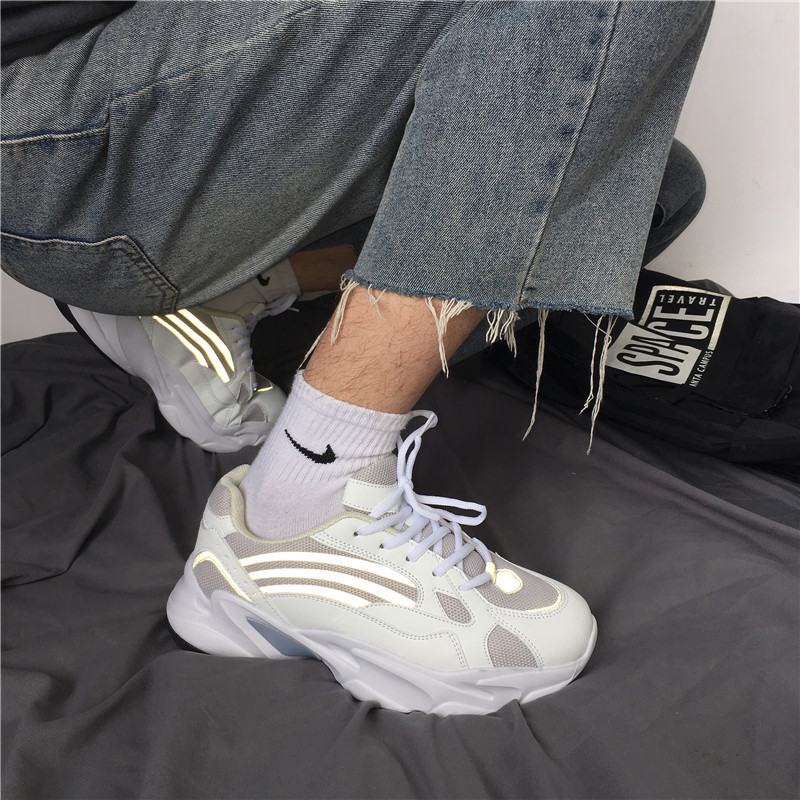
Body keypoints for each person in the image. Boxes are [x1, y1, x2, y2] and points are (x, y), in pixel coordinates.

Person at [1, 0, 713, 714]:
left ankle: (236, 294)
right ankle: (303, 504)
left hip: (145, 91)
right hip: (48, 133)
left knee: (637, 180)